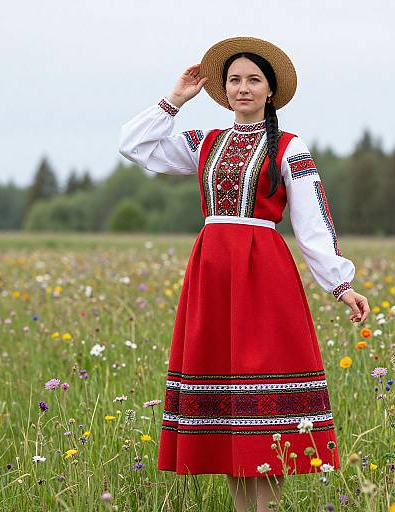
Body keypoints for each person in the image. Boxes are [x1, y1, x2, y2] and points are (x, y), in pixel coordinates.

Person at [119, 36, 370, 512]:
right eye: (234, 80)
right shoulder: (205, 142)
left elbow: (313, 222)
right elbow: (133, 145)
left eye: (254, 80)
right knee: (228, 399)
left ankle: (268, 508)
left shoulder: (290, 149)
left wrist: (341, 284)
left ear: (271, 91)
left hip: (263, 274)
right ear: (223, 89)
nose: (243, 88)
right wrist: (174, 100)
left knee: (262, 389)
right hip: (212, 272)